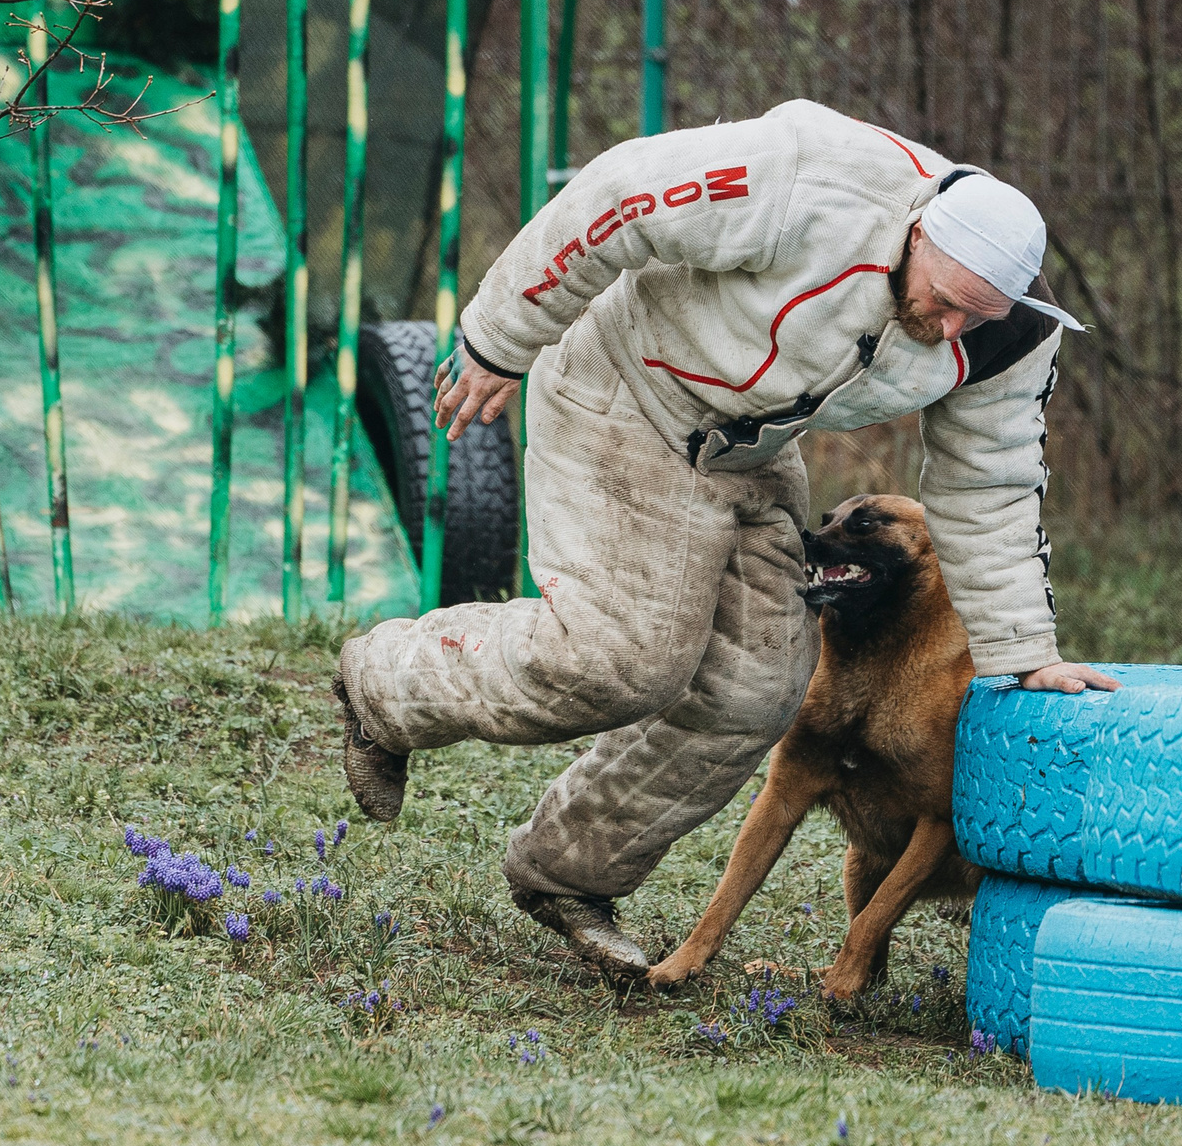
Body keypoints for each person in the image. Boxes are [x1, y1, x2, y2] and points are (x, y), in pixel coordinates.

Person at [333, 98, 1117, 980]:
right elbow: (617, 198)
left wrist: (1023, 647)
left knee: (757, 690)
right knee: (619, 657)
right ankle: (384, 684)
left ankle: (569, 869)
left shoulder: (1006, 332)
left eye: (977, 315)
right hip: (627, 389)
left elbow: (992, 483)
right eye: (945, 302)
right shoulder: (807, 176)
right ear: (921, 231)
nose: (950, 331)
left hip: (750, 445)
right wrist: (498, 337)